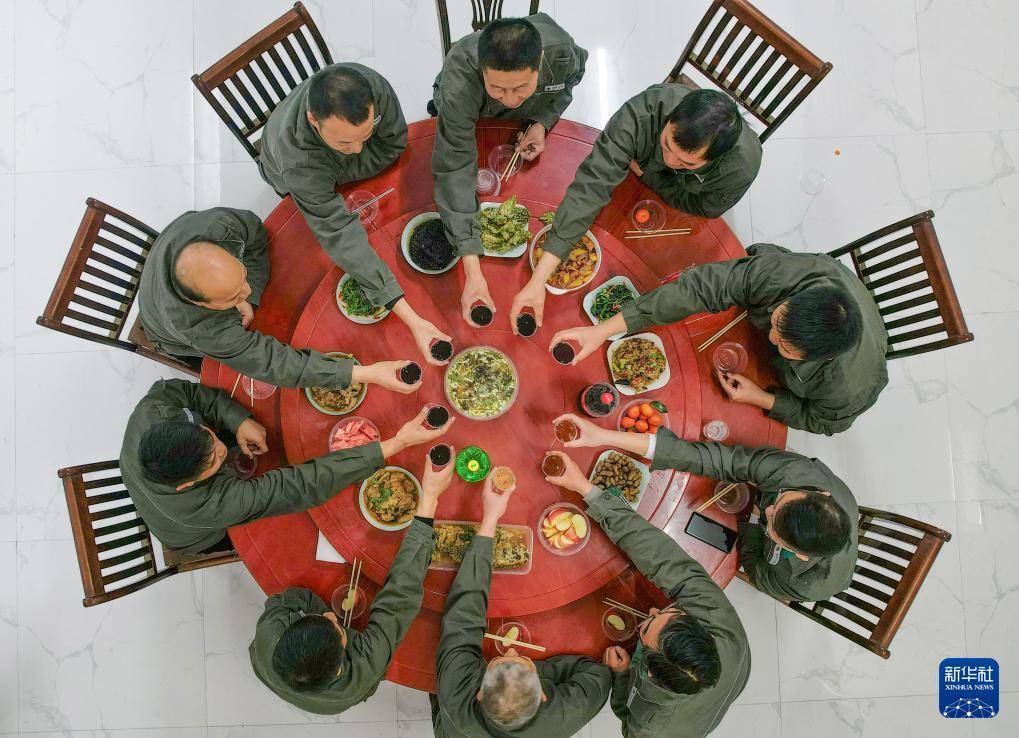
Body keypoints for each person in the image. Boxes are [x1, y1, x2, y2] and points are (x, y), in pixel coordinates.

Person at [548, 244, 888, 435]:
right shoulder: (785, 276)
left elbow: (823, 422)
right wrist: (605, 329)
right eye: (776, 320)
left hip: (831, 372)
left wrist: (762, 399)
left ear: (819, 358)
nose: (772, 336)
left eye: (784, 346)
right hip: (808, 278)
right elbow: (701, 288)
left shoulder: (846, 388)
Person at [510, 83, 761, 332]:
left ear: (713, 160)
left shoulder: (739, 170)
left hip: (668, 210)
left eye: (686, 163)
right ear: (670, 118)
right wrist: (540, 277)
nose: (669, 160)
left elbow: (703, 207)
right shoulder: (643, 112)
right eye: (666, 145)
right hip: (625, 183)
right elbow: (592, 186)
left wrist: (649, 176)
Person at [543, 448, 750, 737]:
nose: (653, 610)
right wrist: (587, 490)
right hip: (731, 676)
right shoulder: (720, 624)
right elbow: (661, 555)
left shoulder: (650, 729)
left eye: (647, 626)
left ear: (648, 672)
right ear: (706, 634)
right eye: (671, 613)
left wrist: (621, 677)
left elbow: (627, 717)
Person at [119, 378, 452, 554]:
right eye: (215, 459)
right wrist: (397, 443)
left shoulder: (153, 410)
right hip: (194, 535)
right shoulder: (210, 505)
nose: (222, 448)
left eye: (210, 435)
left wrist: (236, 420)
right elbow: (297, 487)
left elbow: (191, 395)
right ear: (189, 484)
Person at [259, 63, 451, 365]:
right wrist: (412, 318)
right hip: (283, 170)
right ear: (314, 120)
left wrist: (340, 171)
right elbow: (340, 235)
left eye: (366, 135)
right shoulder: (298, 164)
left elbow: (393, 143)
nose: (358, 149)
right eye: (345, 143)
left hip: (326, 175)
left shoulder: (370, 85)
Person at [556, 414, 859, 603]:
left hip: (795, 572)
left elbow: (756, 570)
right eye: (778, 503)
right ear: (819, 494)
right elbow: (715, 459)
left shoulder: (800, 584)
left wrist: (755, 522)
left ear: (797, 554)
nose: (767, 509)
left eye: (772, 525)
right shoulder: (797, 474)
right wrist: (602, 437)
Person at [248, 450, 454, 714]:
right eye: (338, 628)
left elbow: (286, 599)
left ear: (286, 634)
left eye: (321, 618)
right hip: (342, 693)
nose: (331, 615)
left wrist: (321, 615)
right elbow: (399, 598)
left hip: (274, 668)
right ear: (338, 669)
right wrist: (430, 499)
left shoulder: (269, 630)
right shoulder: (363, 669)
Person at [138, 207, 418, 394]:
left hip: (172, 250)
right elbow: (271, 363)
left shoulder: (219, 226)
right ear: (204, 305)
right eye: (233, 296)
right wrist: (364, 374)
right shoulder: (200, 329)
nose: (246, 290)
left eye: (243, 277)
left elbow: (255, 234)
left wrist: (250, 297)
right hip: (166, 332)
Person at [431, 15, 587, 326]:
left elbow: (573, 77)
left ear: (539, 63)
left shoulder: (560, 50)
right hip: (468, 115)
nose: (512, 100)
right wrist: (472, 271)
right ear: (481, 70)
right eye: (498, 88)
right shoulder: (459, 84)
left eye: (521, 87)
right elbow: (454, 167)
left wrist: (542, 121)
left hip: (524, 123)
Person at [433, 475, 611, 736]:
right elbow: (598, 675)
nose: (511, 650)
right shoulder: (566, 713)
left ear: (479, 694)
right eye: (521, 659)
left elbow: (463, 615)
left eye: (501, 659)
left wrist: (490, 519)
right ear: (543, 695)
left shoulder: (454, 694)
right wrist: (524, 677)